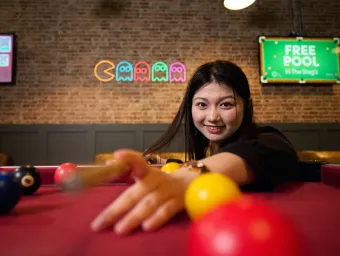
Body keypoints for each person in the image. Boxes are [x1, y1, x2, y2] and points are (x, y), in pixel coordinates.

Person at [90, 60, 300, 235]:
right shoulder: (213, 149)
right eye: (202, 104)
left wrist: (187, 177)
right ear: (190, 108)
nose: (212, 117)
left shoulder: (269, 138)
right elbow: (220, 161)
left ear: (247, 106)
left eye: (226, 104)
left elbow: (262, 153)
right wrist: (167, 164)